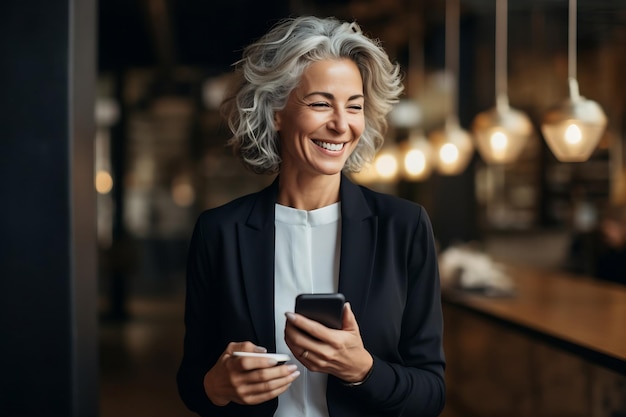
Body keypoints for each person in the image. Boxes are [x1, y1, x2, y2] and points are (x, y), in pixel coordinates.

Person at [177, 16, 446, 417]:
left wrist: (363, 370)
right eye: (321, 103)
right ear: (275, 112)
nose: (341, 124)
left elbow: (431, 393)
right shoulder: (220, 232)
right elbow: (192, 381)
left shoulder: (403, 227)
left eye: (354, 106)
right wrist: (216, 386)